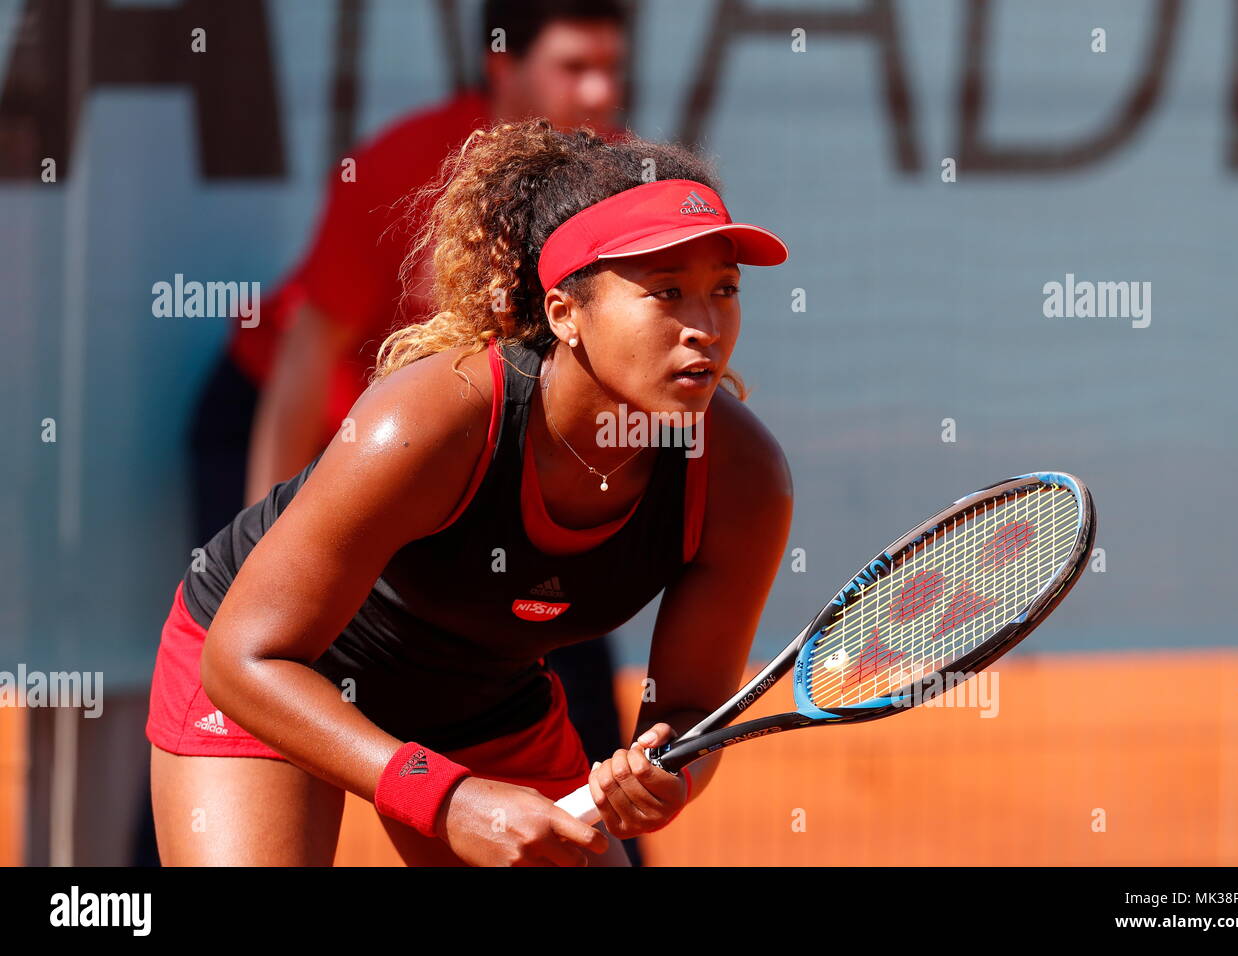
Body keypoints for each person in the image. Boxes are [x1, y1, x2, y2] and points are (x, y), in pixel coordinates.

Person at [147, 119, 793, 866]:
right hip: (282, 670)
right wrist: (445, 798)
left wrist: (667, 777)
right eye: (666, 293)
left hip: (479, 699)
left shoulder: (743, 478)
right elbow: (243, 659)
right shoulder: (429, 421)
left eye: (723, 291)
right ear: (564, 313)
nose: (704, 328)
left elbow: (688, 714)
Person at [153, 0, 637, 864]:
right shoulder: (410, 164)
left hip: (478, 482)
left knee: (571, 676)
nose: (599, 89)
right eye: (573, 66)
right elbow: (309, 355)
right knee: (247, 664)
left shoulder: (615, 184)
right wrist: (273, 527)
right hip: (287, 426)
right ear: (502, 69)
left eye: (611, 65)